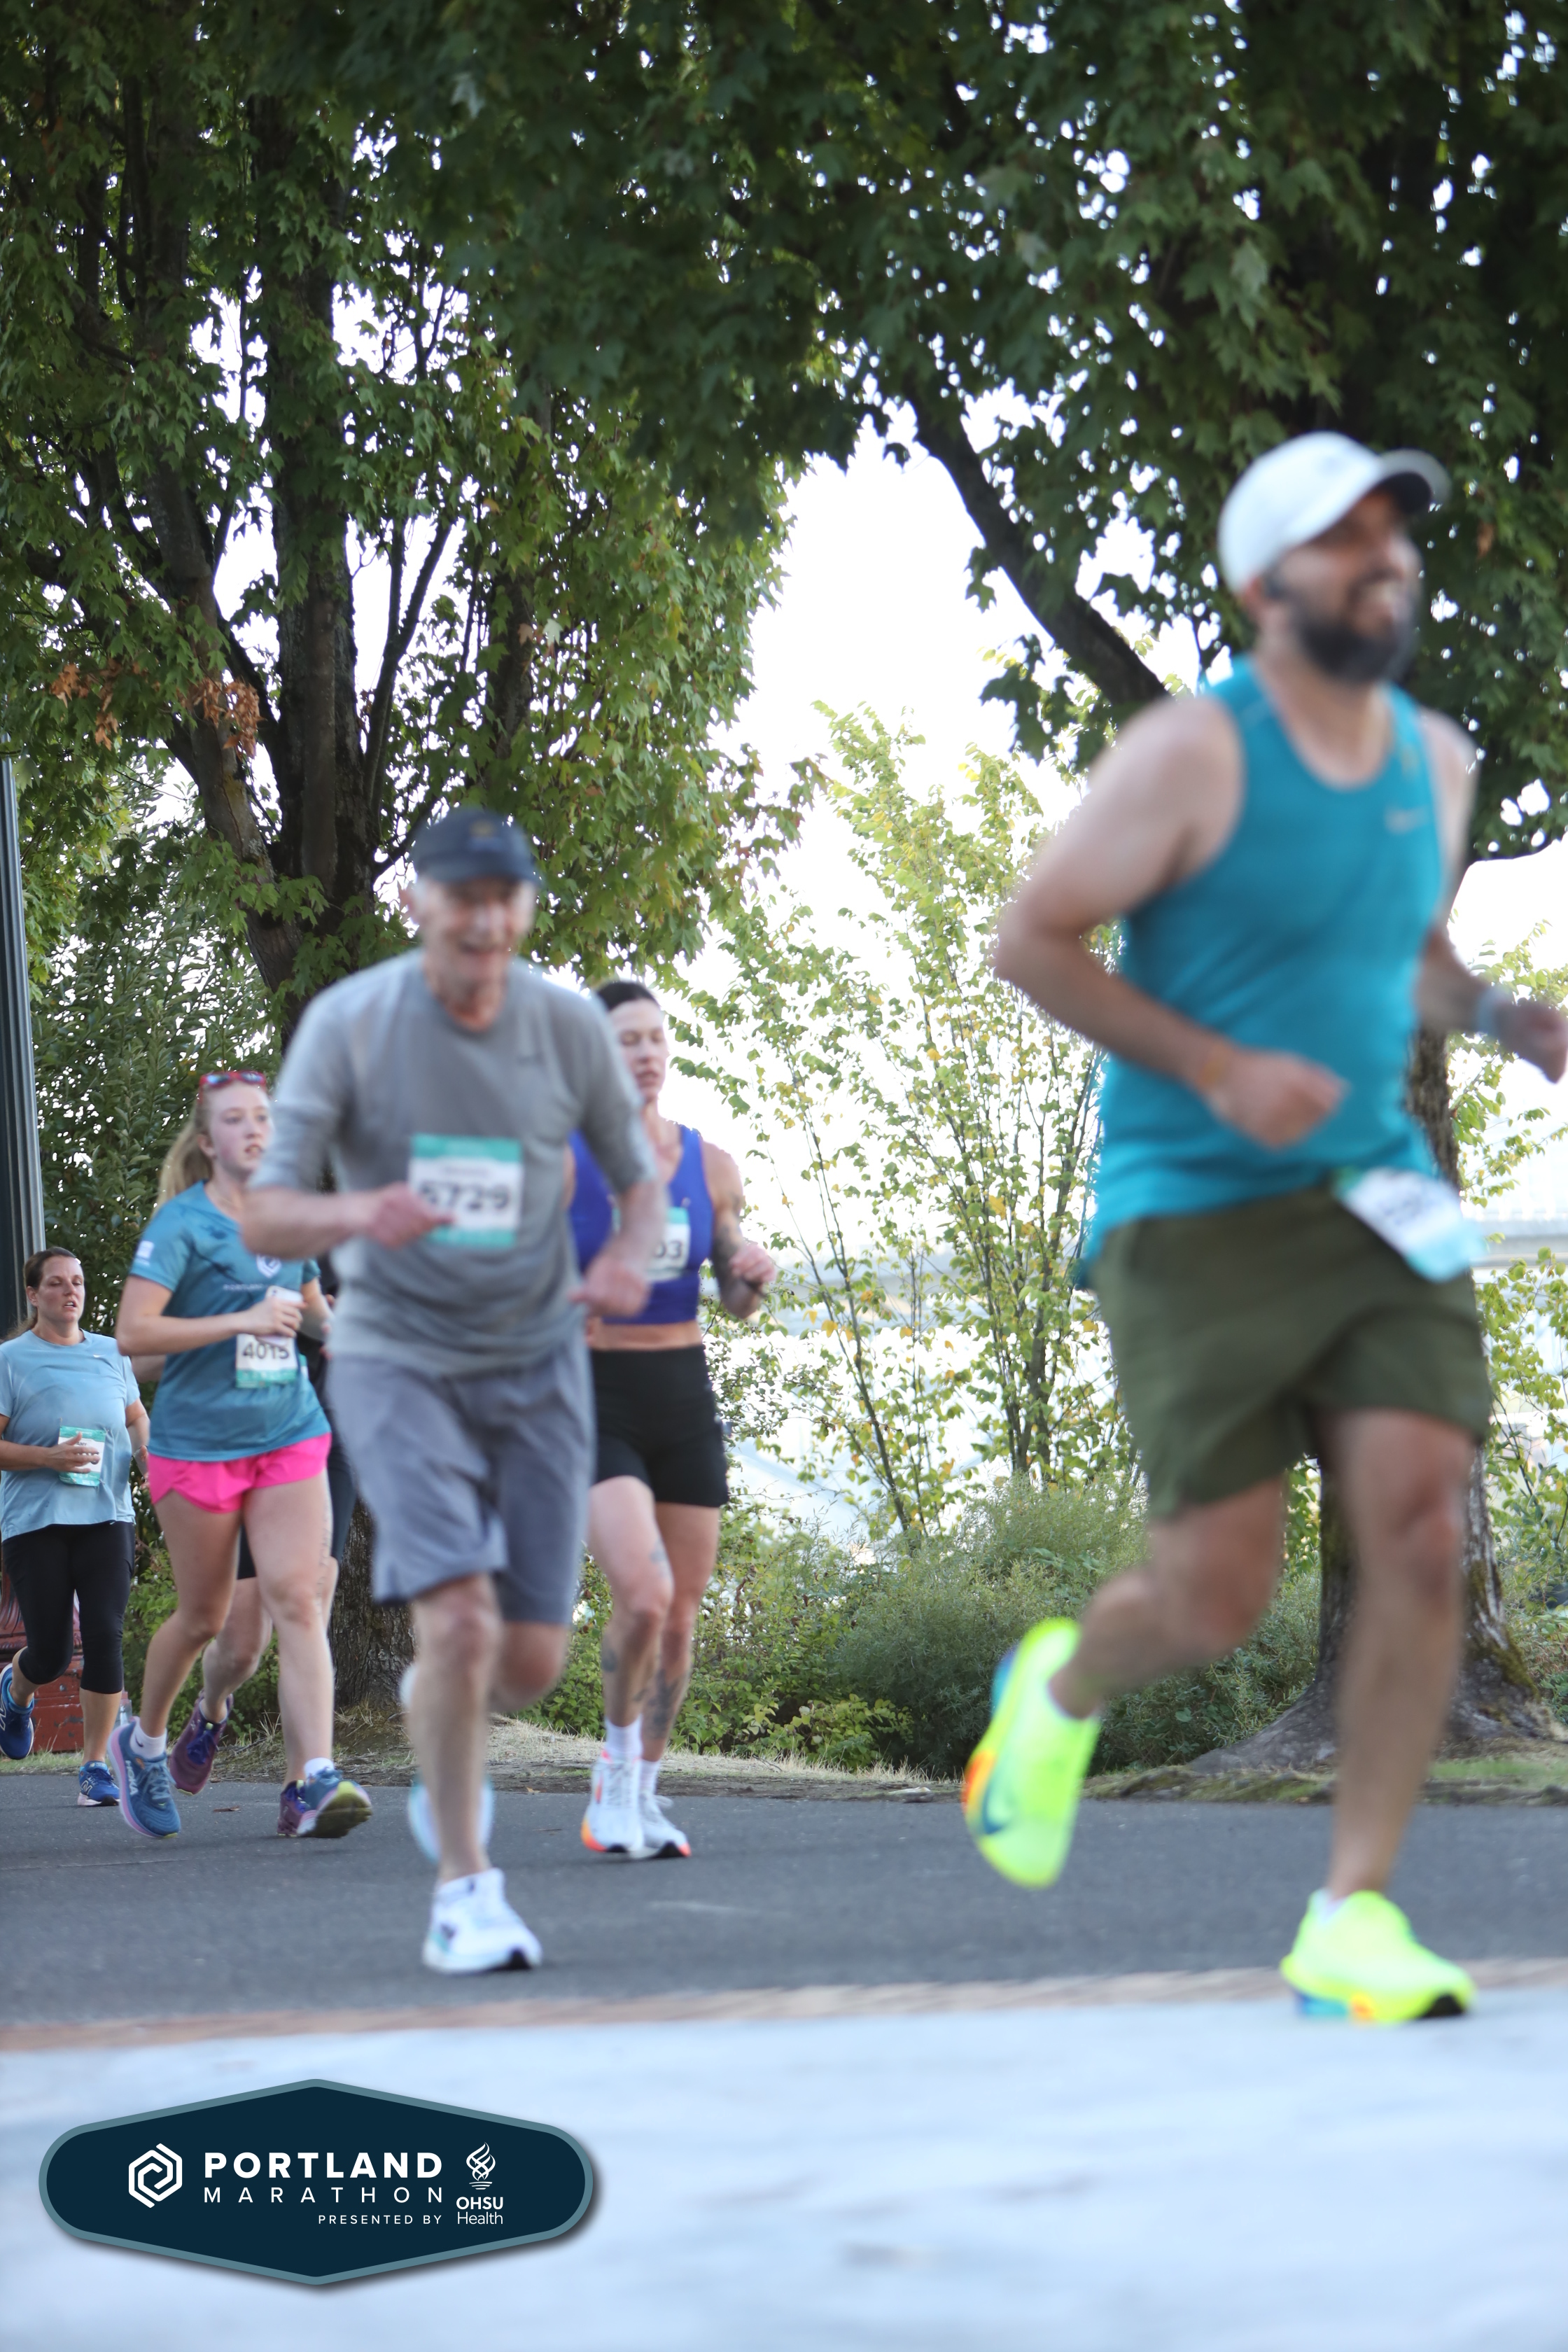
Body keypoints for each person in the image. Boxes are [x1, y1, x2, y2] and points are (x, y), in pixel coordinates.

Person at [967, 432, 1568, 2024]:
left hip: (1374, 1191)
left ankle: (1351, 1915)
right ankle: (1062, 1684)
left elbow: (1406, 948)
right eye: (1345, 538)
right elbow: (1032, 939)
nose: (1387, 560)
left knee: (1422, 1528)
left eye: (1396, 536)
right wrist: (1220, 1067)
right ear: (1262, 586)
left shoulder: (1436, 762)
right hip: (1196, 1204)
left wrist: (1501, 1016)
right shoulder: (1192, 755)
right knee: (1216, 1591)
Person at [239, 805, 664, 1974]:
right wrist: (360, 1212)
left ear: (523, 908)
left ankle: (445, 1701)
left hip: (537, 1360)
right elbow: (268, 1211)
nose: (482, 920)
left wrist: (627, 1260)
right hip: (398, 1356)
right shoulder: (352, 1023)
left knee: (526, 1663)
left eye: (502, 897)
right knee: (464, 1619)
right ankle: (465, 1893)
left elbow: (637, 1185)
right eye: (460, 897)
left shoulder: (564, 1029)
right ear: (418, 901)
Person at [111, 1074, 370, 1842]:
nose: (255, 1129)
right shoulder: (181, 1225)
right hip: (198, 1446)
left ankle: (313, 1777)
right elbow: (133, 1335)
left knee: (299, 1598)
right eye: (236, 1120)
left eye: (264, 1117)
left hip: (290, 1432)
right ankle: (143, 1743)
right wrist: (241, 1321)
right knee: (204, 1618)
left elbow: (314, 1315)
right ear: (207, 1141)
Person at [568, 980, 776, 1858]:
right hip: (593, 1394)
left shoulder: (709, 1164)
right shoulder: (561, 1160)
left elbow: (732, 1296)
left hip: (683, 1394)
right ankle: (611, 1783)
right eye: (626, 1041)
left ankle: (646, 1793)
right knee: (644, 1597)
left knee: (681, 1615)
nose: (646, 1054)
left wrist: (749, 1275)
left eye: (655, 1037)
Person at [167, 1255, 356, 1798]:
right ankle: (210, 1710)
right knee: (243, 1644)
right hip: (249, 1439)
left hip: (328, 1433)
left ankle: (303, 1786)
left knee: (308, 1609)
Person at [0, 1247, 149, 1804]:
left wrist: (150, 1460)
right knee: (52, 1653)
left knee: (106, 1634)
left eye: (78, 1282)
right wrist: (48, 1458)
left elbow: (135, 1417)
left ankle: (94, 1768)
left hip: (107, 1514)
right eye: (58, 1283)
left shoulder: (111, 1353)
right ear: (33, 1294)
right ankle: (15, 1693)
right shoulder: (10, 1359)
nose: (71, 1291)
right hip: (36, 1521)